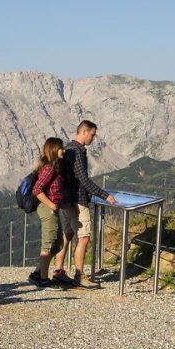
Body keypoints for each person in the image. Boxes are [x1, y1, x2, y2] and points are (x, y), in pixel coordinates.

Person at [57, 120, 117, 287]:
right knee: (84, 237)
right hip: (78, 200)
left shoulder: (68, 148)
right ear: (84, 132)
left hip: (66, 200)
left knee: (67, 235)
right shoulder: (77, 151)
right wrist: (105, 195)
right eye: (92, 134)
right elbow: (83, 179)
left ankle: (58, 270)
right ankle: (80, 276)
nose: (93, 138)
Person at [27, 137, 67, 289]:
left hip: (52, 209)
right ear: (54, 149)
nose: (63, 150)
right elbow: (37, 189)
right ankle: (43, 279)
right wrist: (51, 205)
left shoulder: (55, 167)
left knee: (58, 244)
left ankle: (37, 273)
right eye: (60, 148)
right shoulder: (49, 167)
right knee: (48, 244)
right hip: (47, 209)